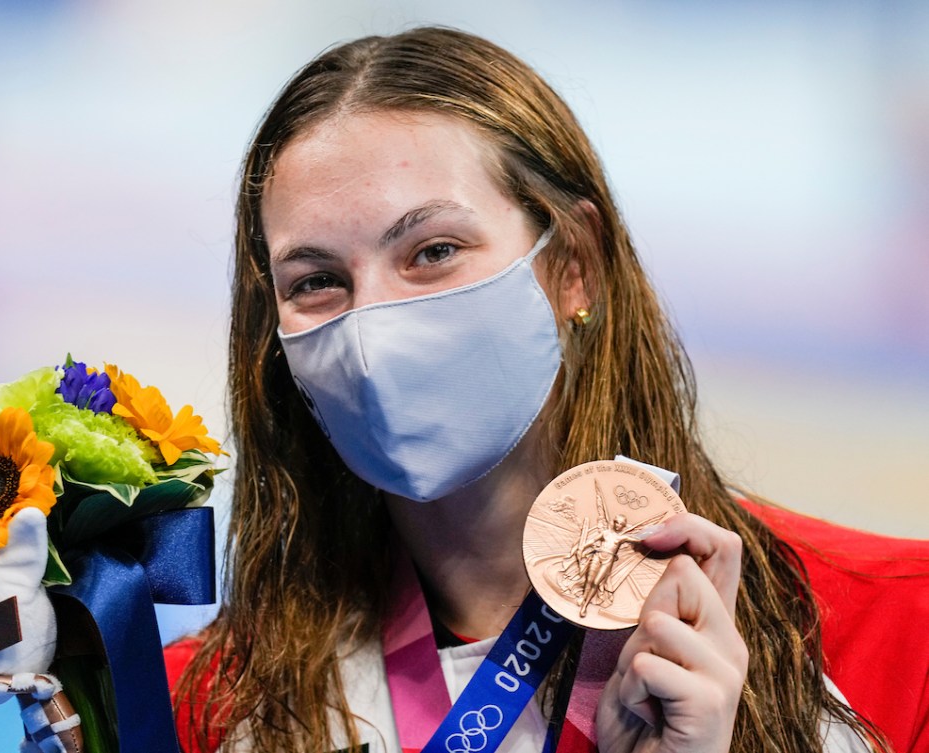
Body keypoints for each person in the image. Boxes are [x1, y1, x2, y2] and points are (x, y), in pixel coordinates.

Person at [165, 26, 928, 753]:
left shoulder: (897, 626)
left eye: (432, 250)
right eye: (319, 281)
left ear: (574, 265)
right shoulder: (203, 706)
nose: (372, 327)